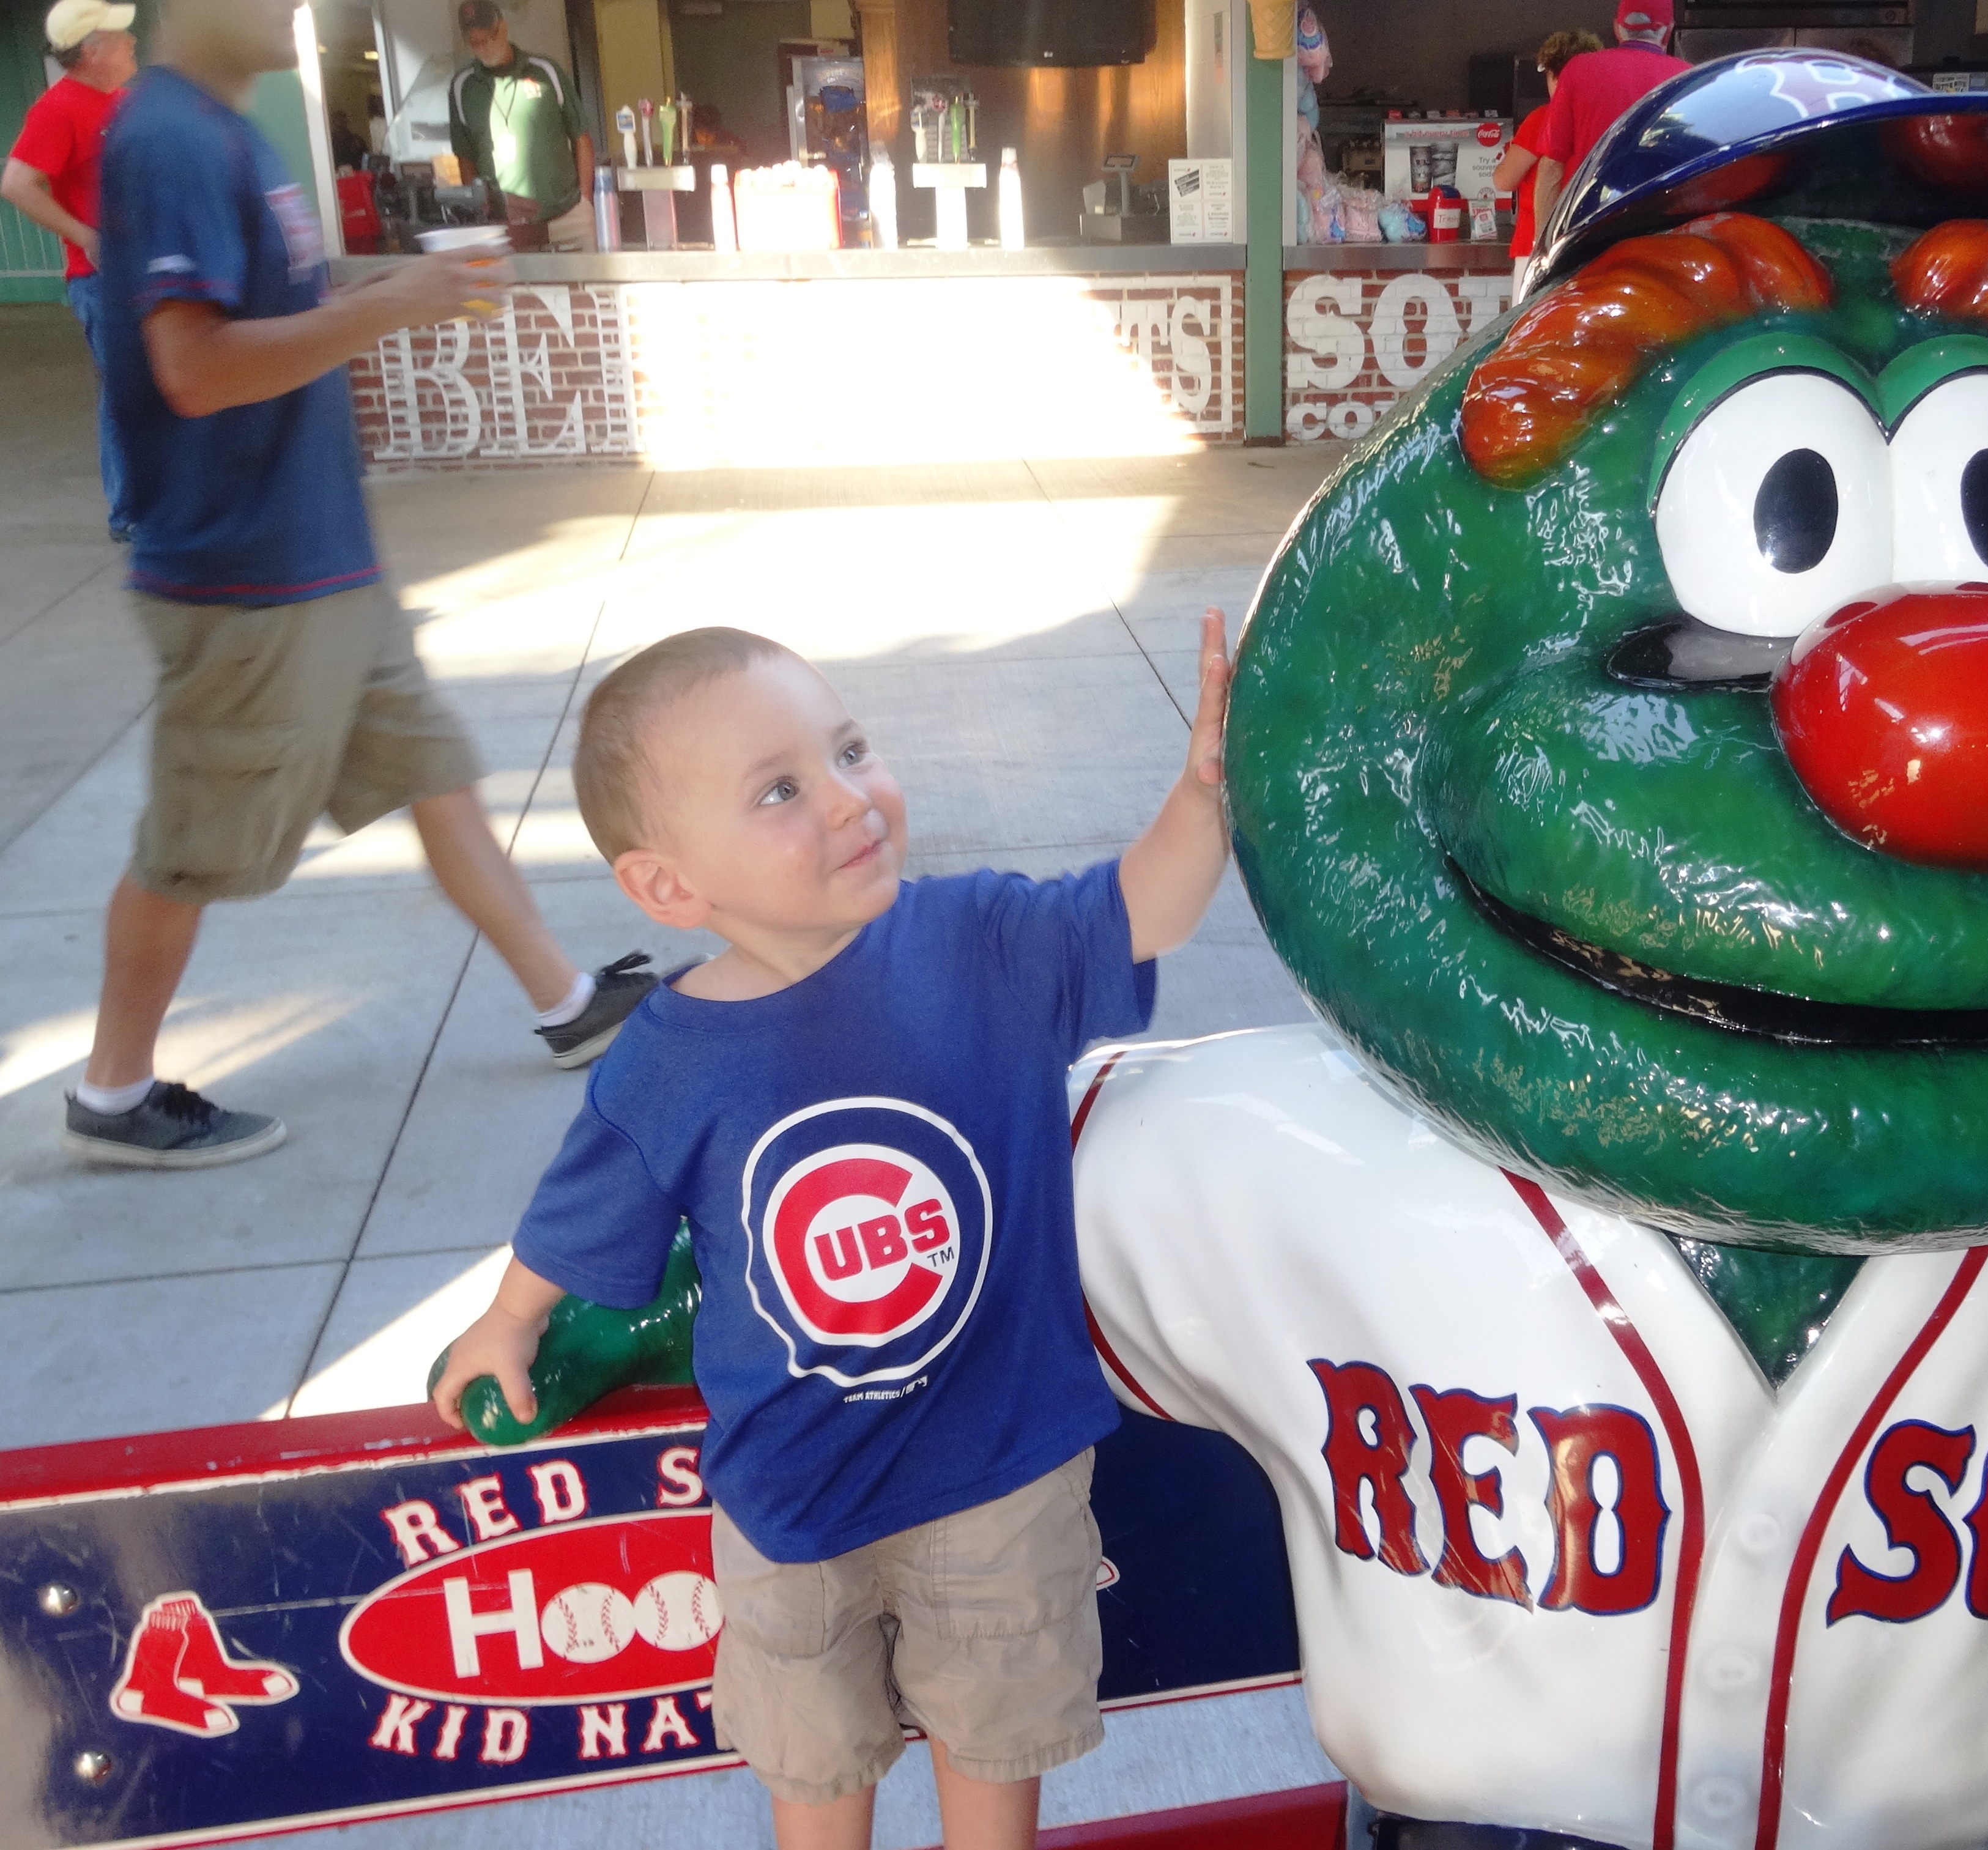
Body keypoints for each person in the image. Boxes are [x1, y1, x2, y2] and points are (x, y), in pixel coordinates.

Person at [430, 616, 1235, 1850]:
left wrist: (1203, 798)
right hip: (792, 1494)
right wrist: (510, 1318)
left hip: (1002, 1469)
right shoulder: (668, 1059)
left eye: (850, 750)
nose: (851, 798)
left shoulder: (983, 941)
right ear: (668, 886)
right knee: (813, 1757)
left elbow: (1141, 910)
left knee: (995, 1738)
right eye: (781, 790)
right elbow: (583, 1211)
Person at [67, 0, 655, 1169]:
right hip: (247, 579)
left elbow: (267, 325)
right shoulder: (170, 138)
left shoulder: (229, 131)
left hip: (322, 555)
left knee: (437, 775)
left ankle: (565, 1001)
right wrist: (391, 307)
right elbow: (193, 369)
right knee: (192, 845)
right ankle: (113, 1092)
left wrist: (370, 304)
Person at [3, 0, 139, 544]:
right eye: (121, 37)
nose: (132, 43)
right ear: (92, 51)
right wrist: (86, 237)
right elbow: (16, 184)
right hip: (102, 281)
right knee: (127, 393)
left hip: (145, 272)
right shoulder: (58, 109)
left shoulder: (124, 102)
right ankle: (130, 512)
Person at [1527, 0, 1688, 253]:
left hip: (1588, 237)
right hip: (1660, 237)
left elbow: (1551, 169)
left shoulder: (1579, 69)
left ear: (1617, 28)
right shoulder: (1686, 78)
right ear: (1668, 30)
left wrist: (1542, 250)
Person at [446, 0, 592, 251]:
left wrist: (585, 202)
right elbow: (465, 159)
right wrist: (482, 211)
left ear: (503, 27)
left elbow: (581, 136)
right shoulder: (463, 87)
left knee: (586, 277)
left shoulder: (545, 71)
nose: (484, 47)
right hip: (507, 228)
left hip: (568, 217)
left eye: (489, 37)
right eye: (475, 42)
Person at [1491, 28, 1600, 297]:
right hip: (1589, 243)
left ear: (1552, 74)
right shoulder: (1598, 117)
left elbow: (1504, 180)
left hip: (1537, 246)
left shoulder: (1542, 118)